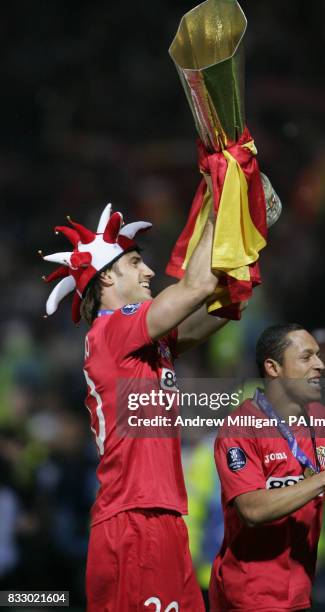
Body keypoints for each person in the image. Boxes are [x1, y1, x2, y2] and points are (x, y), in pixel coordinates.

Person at [41, 202, 242, 611]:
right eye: (136, 263)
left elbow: (222, 309)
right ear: (108, 275)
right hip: (133, 522)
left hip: (162, 517)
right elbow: (196, 288)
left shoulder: (146, 343)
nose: (149, 272)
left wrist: (242, 259)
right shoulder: (113, 329)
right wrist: (219, 205)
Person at [210, 323, 325, 612]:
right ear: (273, 368)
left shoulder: (323, 420)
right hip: (248, 596)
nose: (319, 365)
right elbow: (252, 511)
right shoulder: (241, 427)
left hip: (301, 592)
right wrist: (323, 479)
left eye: (318, 356)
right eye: (306, 357)